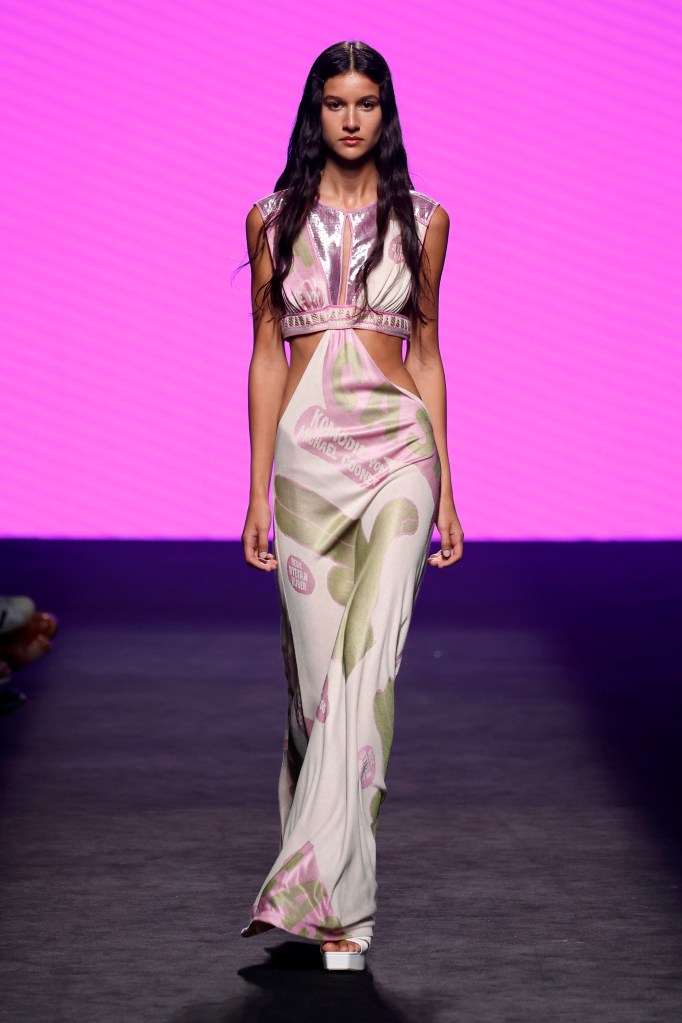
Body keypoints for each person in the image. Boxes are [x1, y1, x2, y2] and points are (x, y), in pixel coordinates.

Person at [239, 40, 463, 971]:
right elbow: (266, 354)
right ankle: (321, 880)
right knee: (314, 689)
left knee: (367, 670)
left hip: (398, 456)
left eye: (366, 103)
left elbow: (428, 353)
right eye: (336, 103)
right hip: (304, 469)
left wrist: (449, 488)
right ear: (315, 112)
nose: (351, 119)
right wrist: (255, 487)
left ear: (385, 112)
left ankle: (344, 913)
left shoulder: (425, 219)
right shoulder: (269, 218)